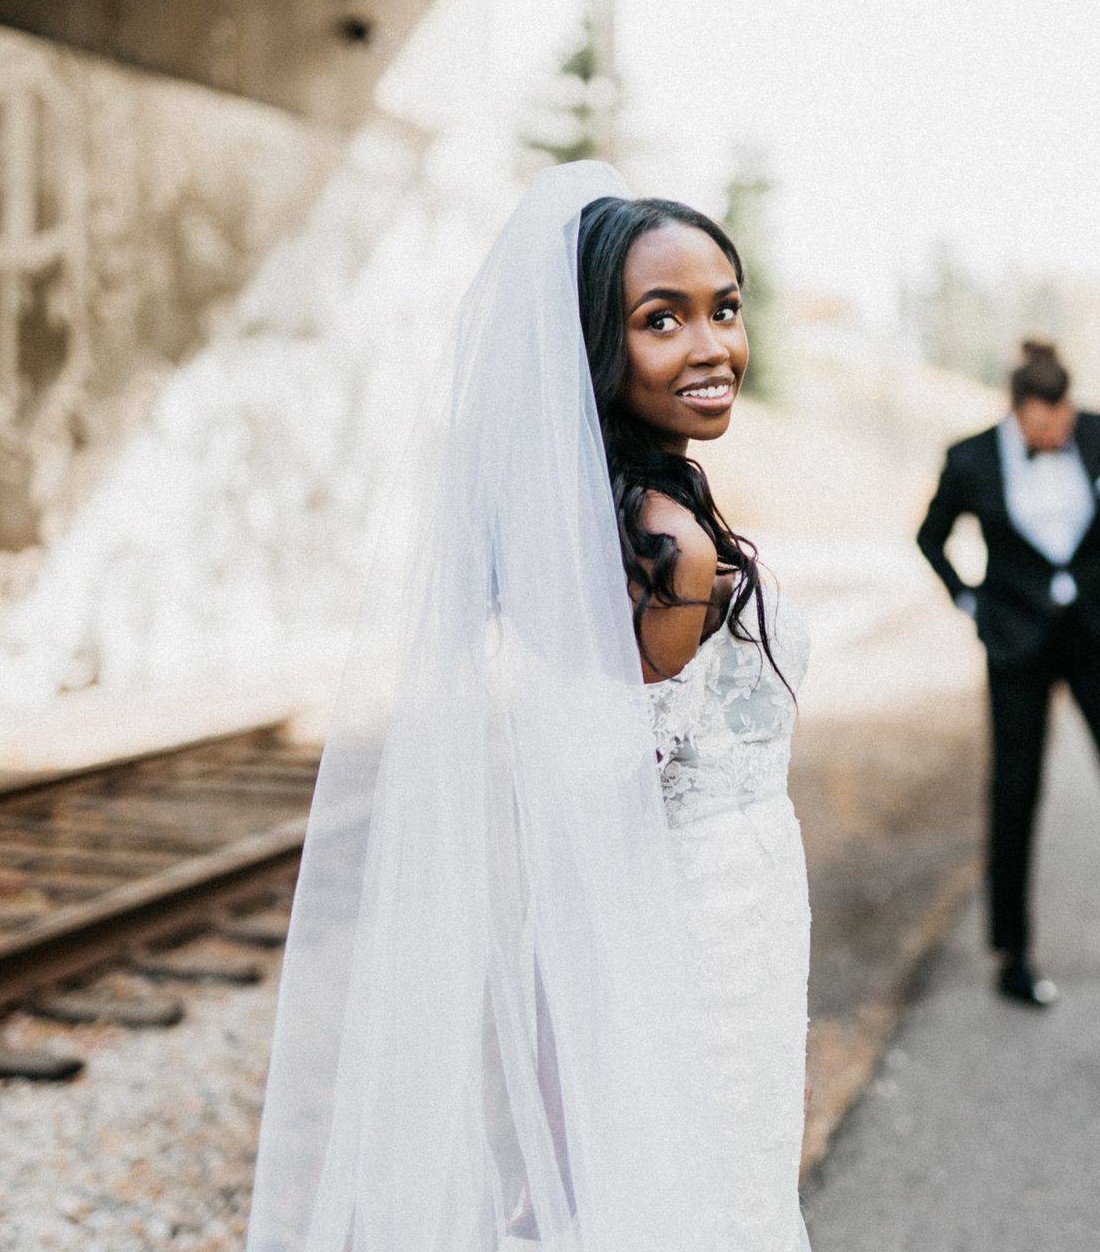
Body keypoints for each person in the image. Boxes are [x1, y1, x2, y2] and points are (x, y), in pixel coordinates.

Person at [246, 163, 812, 1251]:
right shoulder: (668, 546)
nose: (712, 346)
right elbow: (612, 822)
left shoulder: (620, 517)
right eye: (664, 319)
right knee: (706, 1204)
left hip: (710, 917)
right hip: (702, 934)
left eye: (725, 308)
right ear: (596, 350)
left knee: (661, 1194)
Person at [916, 340, 1100, 1007]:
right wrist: (972, 601)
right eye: (1044, 424)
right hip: (1017, 646)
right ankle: (1011, 953)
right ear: (1018, 415)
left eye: (1064, 419)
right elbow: (932, 537)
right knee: (1014, 794)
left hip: (1099, 637)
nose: (1057, 432)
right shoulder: (970, 458)